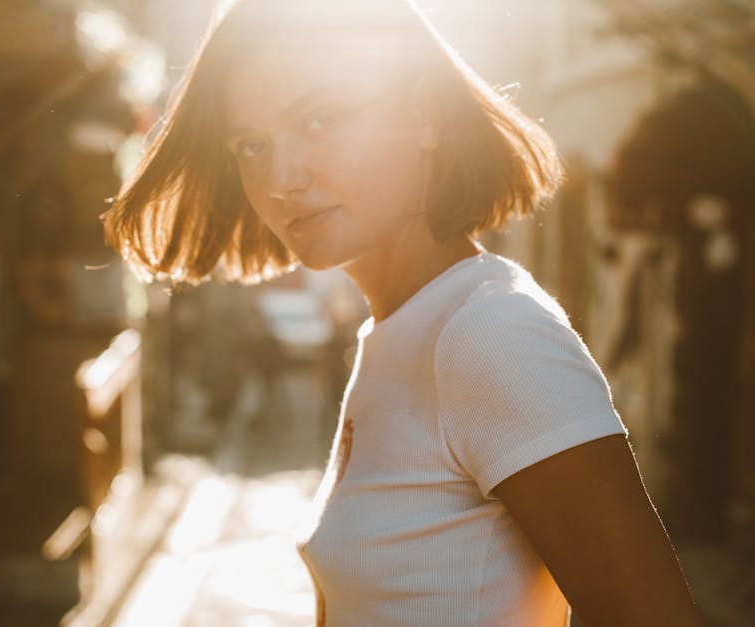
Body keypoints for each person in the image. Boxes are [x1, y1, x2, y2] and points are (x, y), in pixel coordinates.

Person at [102, 0, 703, 624]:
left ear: (424, 114)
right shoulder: (396, 332)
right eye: (251, 144)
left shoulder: (491, 335)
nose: (279, 177)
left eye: (319, 119)